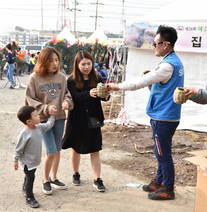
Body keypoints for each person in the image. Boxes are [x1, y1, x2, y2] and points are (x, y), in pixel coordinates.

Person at [107, 25, 184, 200]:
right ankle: (158, 180)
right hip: (165, 114)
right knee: (160, 150)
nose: (153, 47)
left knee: (163, 153)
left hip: (164, 116)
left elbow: (140, 82)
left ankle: (168, 187)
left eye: (156, 43)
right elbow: (161, 86)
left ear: (166, 44)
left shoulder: (168, 65)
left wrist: (116, 86)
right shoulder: (173, 61)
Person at [25, 46, 73, 195]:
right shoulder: (34, 78)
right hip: (43, 120)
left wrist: (66, 102)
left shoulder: (61, 77)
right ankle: (45, 179)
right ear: (43, 61)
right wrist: (45, 108)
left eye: (56, 60)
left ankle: (54, 177)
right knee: (51, 150)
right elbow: (30, 99)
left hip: (59, 118)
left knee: (57, 149)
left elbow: (67, 94)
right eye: (51, 60)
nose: (54, 63)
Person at [62, 50, 109, 192]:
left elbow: (103, 97)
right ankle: (75, 173)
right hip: (76, 118)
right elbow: (74, 98)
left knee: (95, 149)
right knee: (75, 148)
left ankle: (97, 179)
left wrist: (106, 95)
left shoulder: (98, 77)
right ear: (77, 65)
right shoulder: (71, 80)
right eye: (83, 64)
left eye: (89, 63)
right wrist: (88, 94)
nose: (86, 66)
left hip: (93, 118)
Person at [14, 106, 55, 208]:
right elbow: (18, 149)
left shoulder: (39, 127)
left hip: (34, 161)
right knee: (31, 177)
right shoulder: (24, 134)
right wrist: (15, 160)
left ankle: (24, 187)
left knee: (29, 176)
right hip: (27, 162)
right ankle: (29, 197)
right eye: (36, 115)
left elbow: (49, 125)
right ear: (29, 121)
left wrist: (53, 115)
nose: (39, 116)